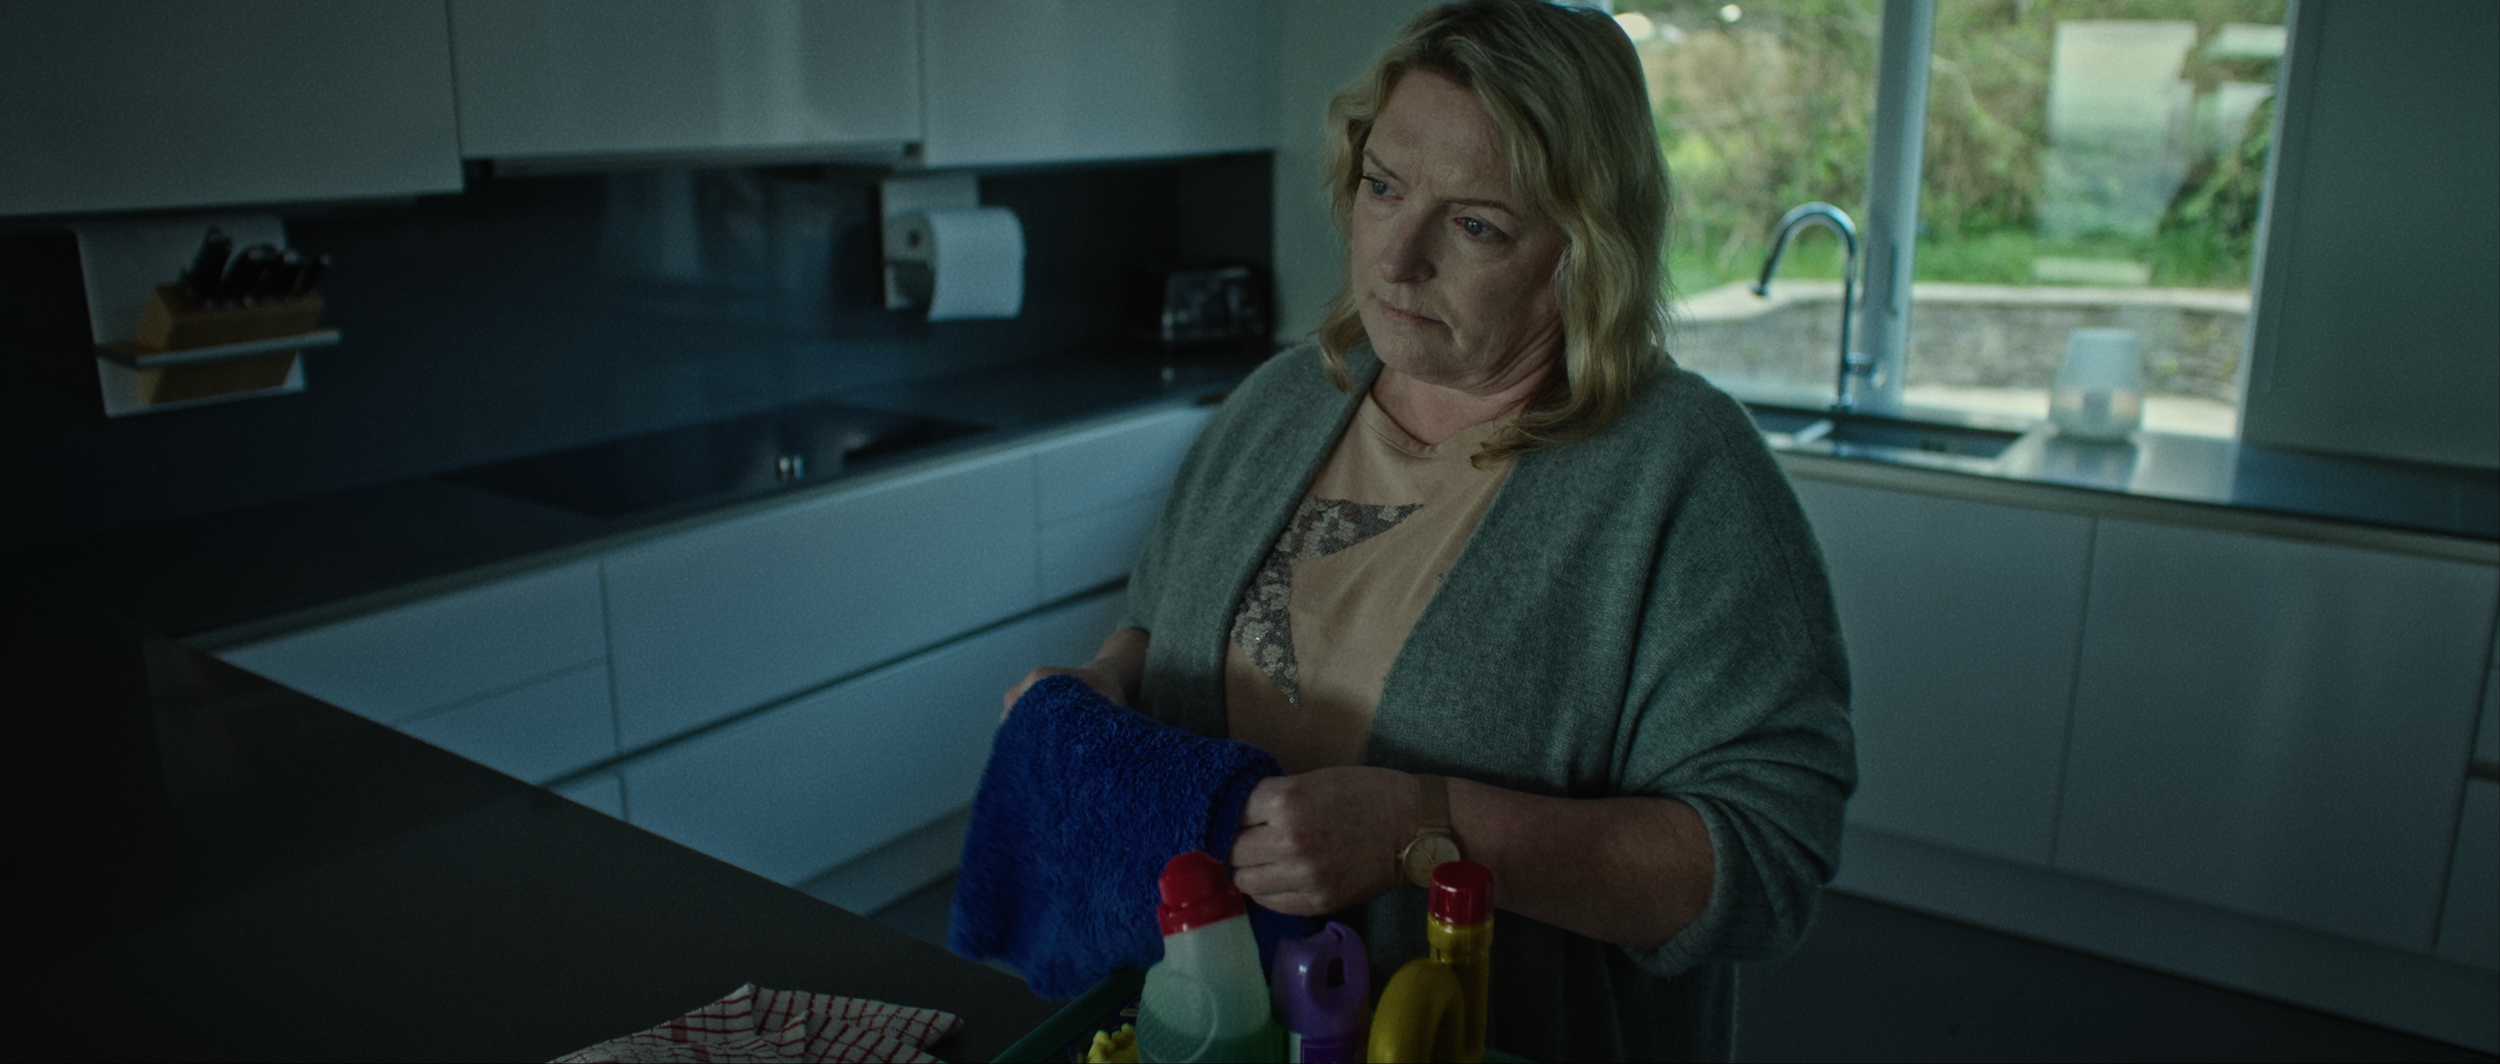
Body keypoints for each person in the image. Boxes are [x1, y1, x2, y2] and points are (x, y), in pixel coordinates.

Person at [1004, 2, 1854, 1058]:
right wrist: (1102, 687)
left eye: (1476, 223)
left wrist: (1420, 830)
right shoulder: (1285, 400)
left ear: (1583, 252)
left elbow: (1762, 861)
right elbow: (1157, 628)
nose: (1396, 258)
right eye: (1383, 187)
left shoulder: (1681, 475)